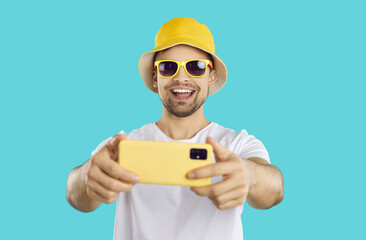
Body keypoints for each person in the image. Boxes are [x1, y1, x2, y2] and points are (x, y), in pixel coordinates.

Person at [66, 17, 284, 240]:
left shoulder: (237, 145)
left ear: (211, 77)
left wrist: (250, 176)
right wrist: (86, 177)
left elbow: (274, 190)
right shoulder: (122, 147)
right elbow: (75, 196)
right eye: (168, 67)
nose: (181, 77)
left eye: (196, 67)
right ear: (155, 77)